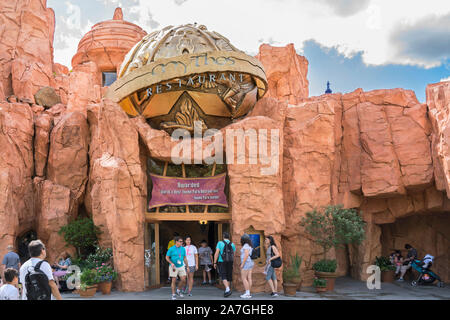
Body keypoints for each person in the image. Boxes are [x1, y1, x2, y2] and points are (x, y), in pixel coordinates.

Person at [213, 232, 236, 297]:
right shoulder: (232, 244)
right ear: (229, 237)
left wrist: (214, 262)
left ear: (223, 236)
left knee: (223, 275)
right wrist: (232, 262)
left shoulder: (220, 243)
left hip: (222, 261)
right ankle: (227, 291)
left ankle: (228, 289)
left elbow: (217, 253)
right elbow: (234, 254)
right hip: (230, 261)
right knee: (228, 276)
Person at [166, 236, 188, 300]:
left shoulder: (183, 249)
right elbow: (167, 257)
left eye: (182, 241)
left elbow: (184, 258)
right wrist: (171, 263)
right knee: (174, 280)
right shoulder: (171, 249)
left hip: (181, 265)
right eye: (180, 241)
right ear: (176, 242)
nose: (182, 242)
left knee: (183, 279)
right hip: (173, 266)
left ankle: (178, 290)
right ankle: (173, 294)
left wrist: (187, 266)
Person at [239, 234, 254, 299]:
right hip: (250, 262)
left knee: (244, 278)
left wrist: (242, 264)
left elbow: (246, 255)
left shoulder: (245, 245)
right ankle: (248, 292)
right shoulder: (249, 245)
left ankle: (247, 293)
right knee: (249, 277)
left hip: (246, 263)